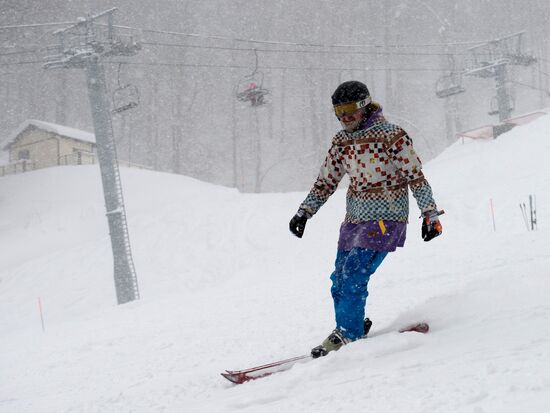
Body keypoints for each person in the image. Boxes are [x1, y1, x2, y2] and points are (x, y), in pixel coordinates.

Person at [289, 80, 443, 358]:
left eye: (349, 110)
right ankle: (352, 326)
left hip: (386, 215)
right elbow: (326, 181)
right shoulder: (342, 141)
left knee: (352, 277)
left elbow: (416, 178)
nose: (344, 117)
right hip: (354, 218)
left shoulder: (392, 136)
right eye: (339, 111)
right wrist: (305, 211)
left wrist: (430, 214)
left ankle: (347, 333)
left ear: (364, 106)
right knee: (338, 279)